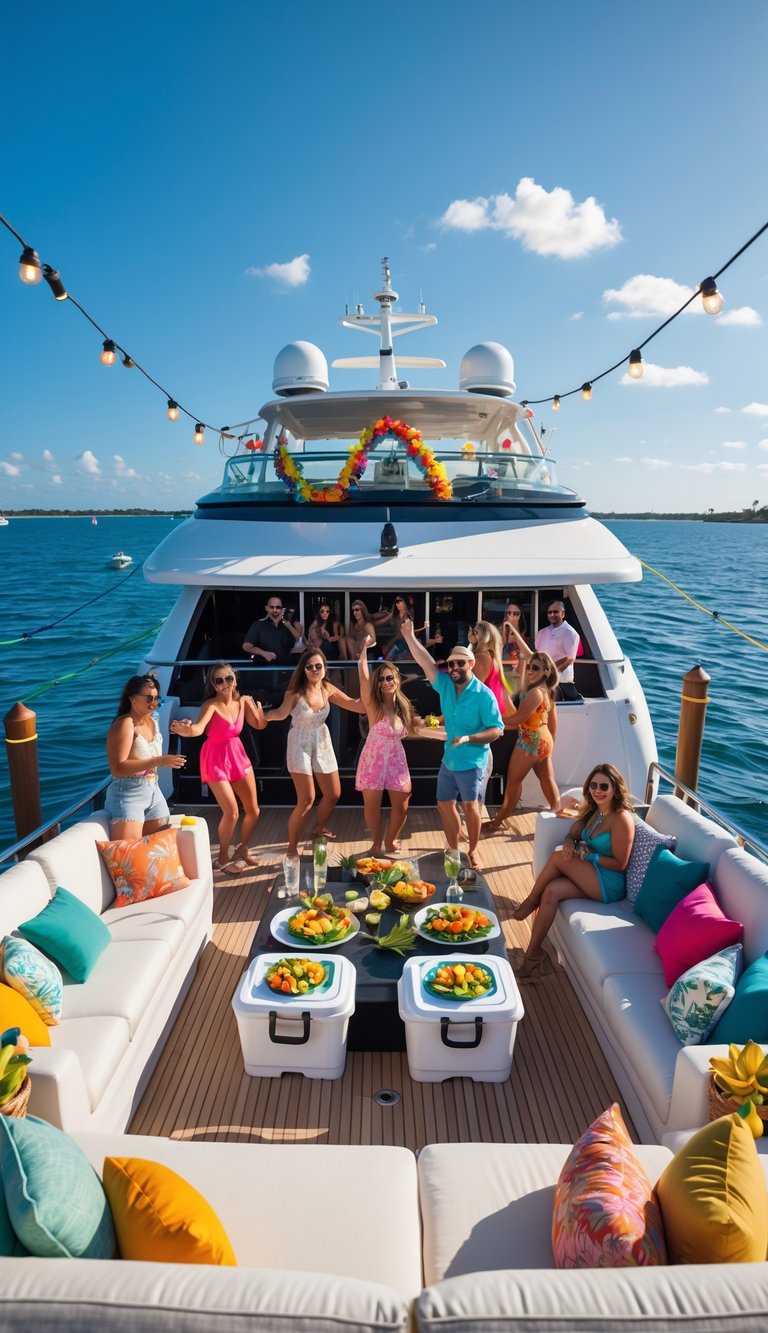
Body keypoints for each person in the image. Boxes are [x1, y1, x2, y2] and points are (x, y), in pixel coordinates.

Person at [511, 763, 635, 979]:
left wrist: (590, 856)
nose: (598, 790)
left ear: (615, 789)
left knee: (559, 857)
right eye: (594, 785)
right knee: (551, 891)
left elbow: (621, 864)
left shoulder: (621, 818)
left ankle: (531, 901)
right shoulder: (596, 811)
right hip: (592, 874)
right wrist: (569, 841)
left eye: (604, 786)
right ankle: (533, 955)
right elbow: (574, 833)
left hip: (610, 883)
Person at [400, 619, 503, 870]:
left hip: (473, 760)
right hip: (450, 759)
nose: (454, 667)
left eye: (459, 663)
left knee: (471, 807)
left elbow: (497, 730)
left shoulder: (483, 695)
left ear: (471, 664)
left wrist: (470, 738)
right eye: (451, 663)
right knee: (444, 805)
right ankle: (455, 849)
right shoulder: (445, 685)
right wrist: (409, 637)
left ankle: (474, 850)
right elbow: (425, 661)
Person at [263, 647, 364, 854]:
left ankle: (318, 828)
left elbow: (355, 705)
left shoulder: (327, 688)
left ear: (325, 668)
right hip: (299, 742)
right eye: (310, 667)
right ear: (303, 670)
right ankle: (292, 849)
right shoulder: (295, 691)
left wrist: (379, 698)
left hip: (321, 740)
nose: (315, 670)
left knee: (333, 793)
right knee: (307, 800)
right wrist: (262, 714)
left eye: (318, 666)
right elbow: (281, 714)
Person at [170, 664, 264, 876]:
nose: (224, 684)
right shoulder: (210, 705)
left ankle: (243, 848)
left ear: (235, 680)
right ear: (212, 684)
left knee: (253, 810)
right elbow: (197, 729)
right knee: (231, 811)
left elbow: (260, 726)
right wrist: (183, 729)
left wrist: (259, 713)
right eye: (218, 681)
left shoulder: (243, 702)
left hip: (237, 755)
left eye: (228, 679)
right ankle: (222, 859)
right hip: (215, 758)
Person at [355, 634, 419, 853]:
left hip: (396, 759)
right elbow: (364, 679)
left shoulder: (403, 706)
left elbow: (415, 727)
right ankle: (376, 843)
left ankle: (390, 840)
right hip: (374, 757)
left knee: (402, 805)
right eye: (381, 679)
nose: (385, 682)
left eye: (389, 678)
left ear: (397, 680)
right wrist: (363, 650)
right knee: (372, 806)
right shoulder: (374, 705)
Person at [484, 652, 560, 830]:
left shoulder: (535, 693)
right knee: (547, 780)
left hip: (529, 741)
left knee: (513, 782)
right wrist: (550, 744)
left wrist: (492, 720)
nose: (530, 671)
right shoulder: (548, 691)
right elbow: (553, 723)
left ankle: (498, 821)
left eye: (535, 668)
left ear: (546, 671)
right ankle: (558, 814)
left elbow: (518, 718)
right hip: (543, 739)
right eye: (529, 667)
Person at [104, 674, 186, 839]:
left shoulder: (152, 720)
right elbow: (117, 769)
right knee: (129, 856)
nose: (154, 703)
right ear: (132, 699)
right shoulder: (126, 724)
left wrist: (178, 727)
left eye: (156, 698)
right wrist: (159, 761)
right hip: (128, 794)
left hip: (154, 791)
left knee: (158, 850)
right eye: (149, 698)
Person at [243, 594, 304, 698]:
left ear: (282, 609)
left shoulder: (288, 626)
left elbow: (298, 637)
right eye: (272, 607)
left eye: (278, 607)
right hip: (263, 676)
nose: (275, 610)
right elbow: (246, 646)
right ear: (266, 608)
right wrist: (264, 653)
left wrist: (287, 623)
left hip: (286, 677)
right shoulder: (258, 625)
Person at [535, 601, 582, 701]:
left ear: (563, 613)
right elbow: (537, 655)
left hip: (562, 682)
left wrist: (552, 674)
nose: (552, 615)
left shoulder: (571, 633)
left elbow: (569, 659)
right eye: (549, 612)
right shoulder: (542, 632)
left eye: (556, 612)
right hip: (542, 680)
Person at [468, 621, 510, 716]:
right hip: (495, 713)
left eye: (474, 632)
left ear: (484, 636)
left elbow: (473, 691)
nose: (471, 634)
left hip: (490, 714)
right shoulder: (490, 656)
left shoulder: (481, 657)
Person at [500, 601, 529, 694]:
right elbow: (501, 646)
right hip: (502, 674)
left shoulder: (524, 637)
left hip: (517, 676)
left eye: (516, 613)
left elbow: (525, 655)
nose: (512, 616)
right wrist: (505, 628)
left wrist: (513, 627)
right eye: (509, 613)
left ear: (520, 616)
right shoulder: (500, 632)